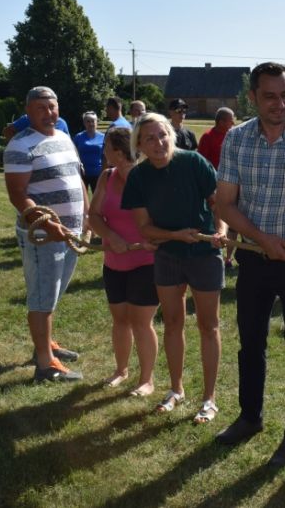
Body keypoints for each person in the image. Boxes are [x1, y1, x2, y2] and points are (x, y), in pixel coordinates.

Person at [214, 62, 285, 467]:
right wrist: (262, 240)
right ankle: (250, 417)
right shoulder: (237, 138)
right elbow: (226, 204)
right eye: (270, 96)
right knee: (251, 342)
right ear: (253, 97)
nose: (280, 103)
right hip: (254, 257)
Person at [122, 113, 227, 423]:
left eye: (163, 135)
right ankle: (176, 390)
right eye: (150, 138)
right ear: (139, 145)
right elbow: (144, 228)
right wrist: (176, 236)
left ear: (172, 134)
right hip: (168, 256)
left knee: (208, 325)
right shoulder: (138, 177)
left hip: (204, 254)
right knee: (172, 322)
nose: (159, 143)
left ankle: (209, 399)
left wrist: (221, 230)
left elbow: (218, 203)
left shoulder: (194, 162)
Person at [3, 86, 85, 383]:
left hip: (69, 232)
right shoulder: (20, 145)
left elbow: (76, 179)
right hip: (43, 236)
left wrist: (87, 218)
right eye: (41, 108)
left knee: (54, 291)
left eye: (52, 106)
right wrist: (47, 224)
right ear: (28, 111)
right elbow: (17, 194)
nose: (49, 113)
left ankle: (45, 344)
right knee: (42, 296)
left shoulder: (63, 137)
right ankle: (45, 365)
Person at [87, 127, 160, 395]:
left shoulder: (149, 179)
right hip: (114, 263)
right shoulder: (107, 177)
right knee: (120, 319)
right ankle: (121, 370)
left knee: (141, 321)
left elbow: (164, 218)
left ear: (118, 152)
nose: (103, 150)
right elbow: (93, 215)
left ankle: (147, 380)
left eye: (106, 146)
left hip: (146, 261)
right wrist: (110, 236)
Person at [197, 107, 238, 268]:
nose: (233, 123)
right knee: (216, 221)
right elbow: (202, 163)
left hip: (234, 186)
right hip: (214, 188)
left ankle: (228, 258)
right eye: (230, 120)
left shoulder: (233, 136)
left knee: (233, 222)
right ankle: (214, 253)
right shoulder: (208, 137)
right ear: (221, 122)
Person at [73, 111, 105, 192]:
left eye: (93, 121)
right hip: (82, 173)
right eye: (88, 121)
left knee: (99, 197)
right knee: (82, 197)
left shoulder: (103, 137)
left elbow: (106, 155)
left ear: (96, 122)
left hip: (98, 173)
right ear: (84, 123)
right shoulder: (78, 137)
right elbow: (74, 153)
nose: (91, 123)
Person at [3, 112, 69, 141]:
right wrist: (17, 145)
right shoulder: (27, 119)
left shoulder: (61, 123)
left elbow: (68, 143)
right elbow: (7, 131)